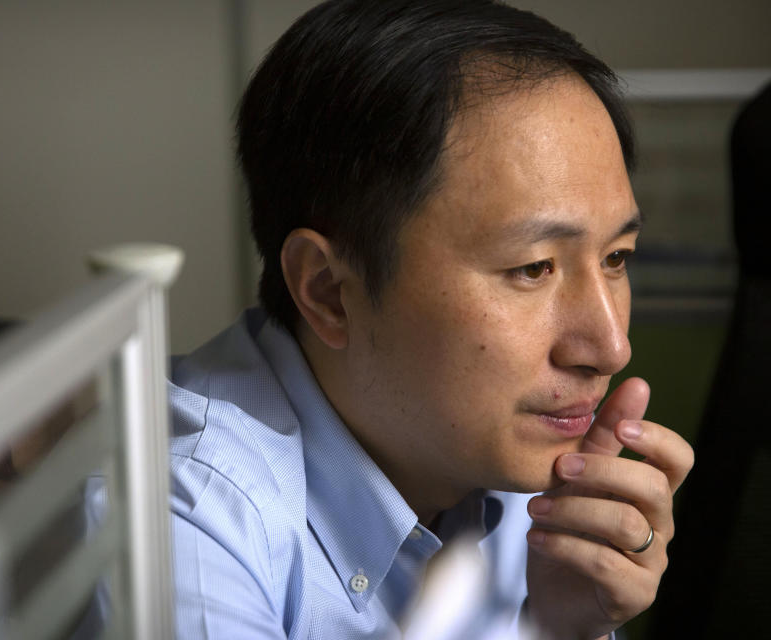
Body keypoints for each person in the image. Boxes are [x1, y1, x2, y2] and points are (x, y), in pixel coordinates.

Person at [168, 1, 693, 639]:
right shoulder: (186, 529)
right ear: (331, 291)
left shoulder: (516, 461)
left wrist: (561, 628)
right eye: (533, 268)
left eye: (616, 257)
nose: (611, 348)